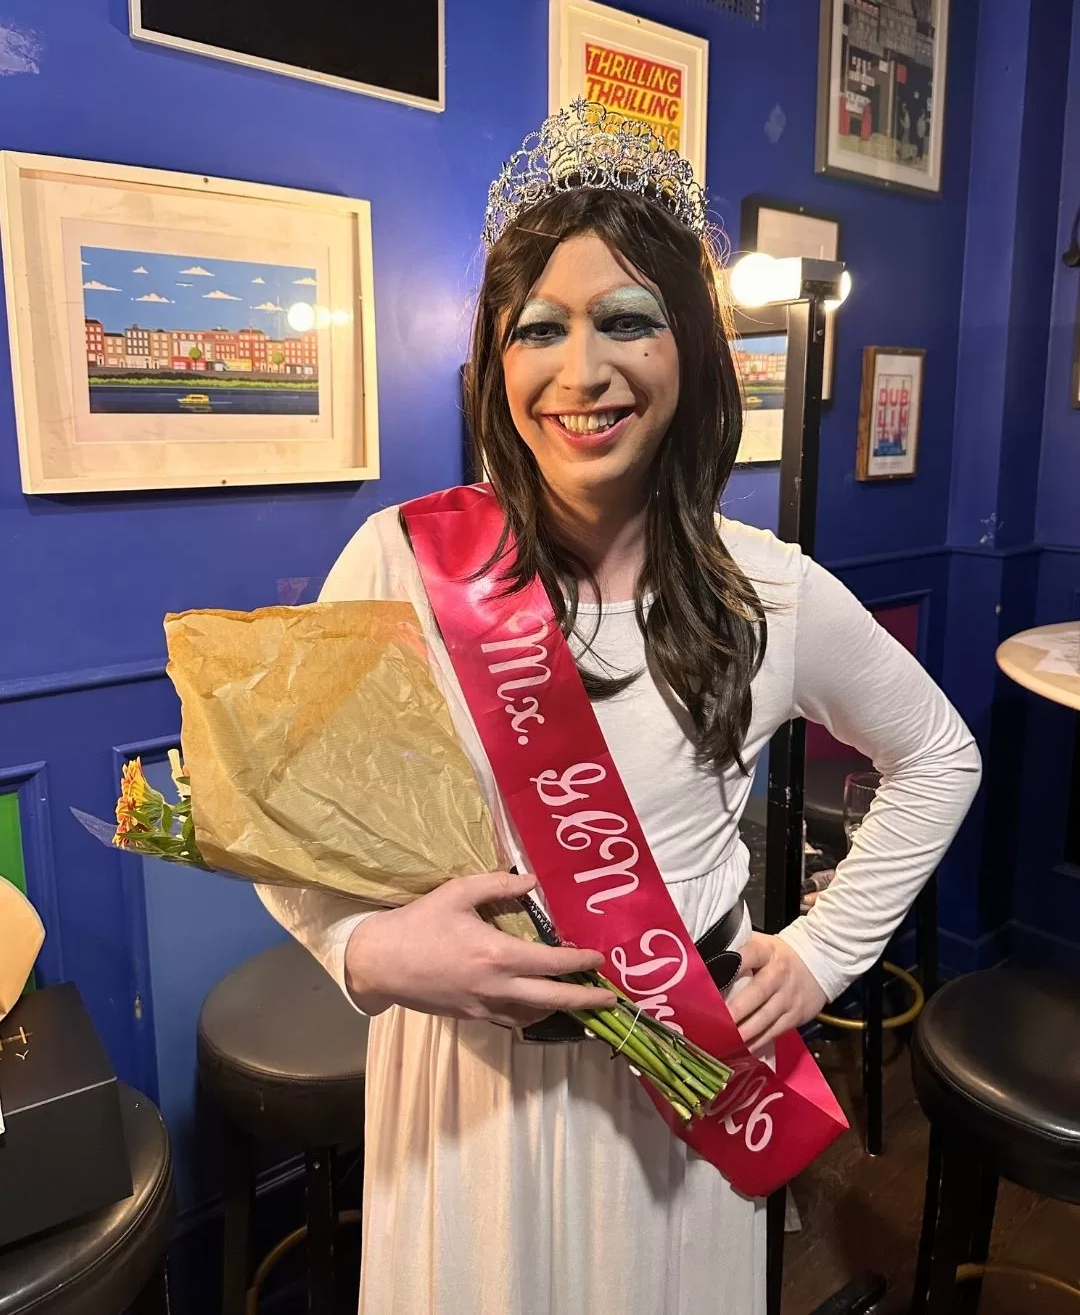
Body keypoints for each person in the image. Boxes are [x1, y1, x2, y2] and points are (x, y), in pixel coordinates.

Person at [258, 103, 981, 1314]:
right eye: (540, 328)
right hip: (465, 1093)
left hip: (683, 1088)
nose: (581, 372)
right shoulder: (399, 562)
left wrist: (820, 955)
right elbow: (285, 817)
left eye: (627, 320)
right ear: (497, 361)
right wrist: (368, 951)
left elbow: (939, 757)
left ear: (690, 348)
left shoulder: (771, 591)